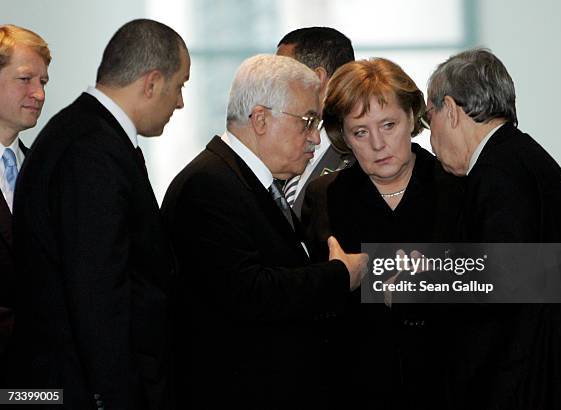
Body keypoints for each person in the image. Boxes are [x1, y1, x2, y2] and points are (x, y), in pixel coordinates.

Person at [161, 54, 368, 409]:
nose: (315, 139)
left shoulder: (247, 180)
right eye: (307, 121)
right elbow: (249, 292)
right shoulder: (208, 185)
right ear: (260, 119)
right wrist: (339, 276)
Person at [8, 19, 189, 409]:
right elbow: (97, 294)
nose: (179, 102)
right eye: (180, 86)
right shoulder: (91, 149)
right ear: (152, 82)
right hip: (81, 390)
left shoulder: (88, 134)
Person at [423, 48, 561, 409]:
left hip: (535, 381)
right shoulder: (520, 157)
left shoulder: (498, 173)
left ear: (450, 108)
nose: (431, 135)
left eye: (429, 117)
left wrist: (413, 277)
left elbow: (501, 285)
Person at [301, 57, 461, 409]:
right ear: (343, 136)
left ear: (412, 119)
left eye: (388, 125)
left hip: (447, 383)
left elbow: (491, 286)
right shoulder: (325, 195)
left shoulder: (454, 188)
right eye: (361, 131)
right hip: (356, 386)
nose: (377, 143)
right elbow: (314, 302)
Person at [0, 24, 50, 359]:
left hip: (41, 377)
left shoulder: (47, 171)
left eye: (43, 82)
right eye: (25, 79)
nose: (40, 94)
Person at [276, 27, 355, 217]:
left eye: (281, 76)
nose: (274, 87)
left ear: (316, 79)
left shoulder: (363, 153)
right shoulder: (280, 144)